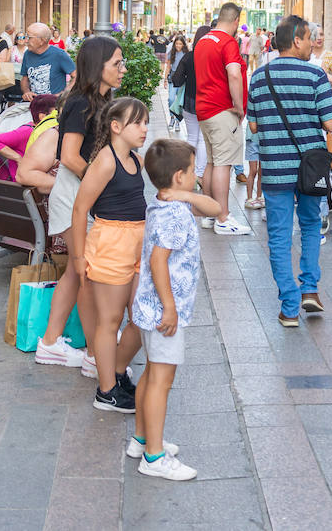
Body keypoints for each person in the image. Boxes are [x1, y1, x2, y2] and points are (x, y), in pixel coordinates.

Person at [34, 35, 125, 374]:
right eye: (116, 63)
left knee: (76, 273)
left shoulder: (103, 100)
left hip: (84, 196)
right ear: (97, 65)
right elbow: (68, 155)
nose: (121, 69)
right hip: (75, 198)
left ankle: (51, 343)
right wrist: (99, 179)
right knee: (83, 273)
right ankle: (93, 353)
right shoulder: (80, 103)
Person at [131, 139, 220, 480]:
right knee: (161, 381)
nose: (198, 176)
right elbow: (158, 262)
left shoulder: (164, 202)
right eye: (194, 171)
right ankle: (154, 457)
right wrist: (170, 308)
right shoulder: (172, 214)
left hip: (150, 309)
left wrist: (185, 195)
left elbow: (214, 208)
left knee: (152, 374)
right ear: (180, 175)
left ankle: (142, 439)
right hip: (164, 313)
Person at [246, 15, 332, 328]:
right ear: (296, 40)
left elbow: (254, 125)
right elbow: (331, 124)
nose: (313, 42)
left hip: (275, 170)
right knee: (312, 225)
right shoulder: (316, 76)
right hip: (311, 169)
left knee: (279, 237)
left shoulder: (259, 77)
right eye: (310, 37)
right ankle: (310, 288)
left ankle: (289, 306)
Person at [71, 97, 150, 413]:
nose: (145, 129)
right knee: (110, 320)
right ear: (116, 127)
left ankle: (115, 372)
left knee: (143, 318)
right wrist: (78, 258)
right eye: (138, 123)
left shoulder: (135, 160)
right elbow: (79, 209)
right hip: (110, 242)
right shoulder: (105, 161)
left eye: (146, 122)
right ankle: (106, 391)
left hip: (136, 242)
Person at [194, 3, 250, 235]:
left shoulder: (203, 41)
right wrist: (238, 105)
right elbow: (234, 74)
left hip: (204, 109)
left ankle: (209, 213)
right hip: (222, 109)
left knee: (212, 162)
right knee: (223, 164)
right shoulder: (228, 43)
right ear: (236, 20)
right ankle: (223, 218)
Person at [0, 93, 60, 186]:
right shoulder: (27, 131)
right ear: (42, 116)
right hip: (25, 184)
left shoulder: (50, 130)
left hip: (34, 181)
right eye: (56, 113)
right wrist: (18, 158)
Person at [169, 27, 208, 179]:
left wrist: (187, 78)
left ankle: (190, 170)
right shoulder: (212, 57)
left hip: (190, 101)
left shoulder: (188, 57)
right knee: (203, 140)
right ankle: (199, 172)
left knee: (192, 137)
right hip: (207, 103)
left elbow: (176, 80)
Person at [18, 22, 76, 100]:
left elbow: (77, 77)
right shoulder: (27, 54)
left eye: (29, 37)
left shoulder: (59, 54)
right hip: (34, 105)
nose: (25, 40)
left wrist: (63, 95)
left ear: (42, 40)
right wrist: (27, 92)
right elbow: (25, 78)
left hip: (54, 107)